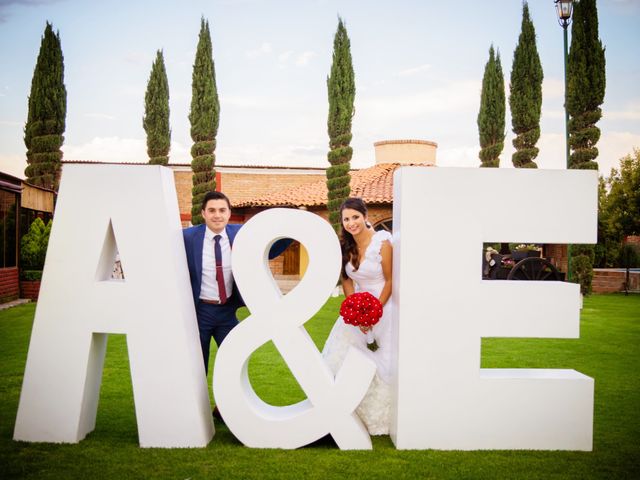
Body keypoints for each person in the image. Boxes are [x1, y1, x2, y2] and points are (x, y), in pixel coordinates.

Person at [183, 191, 288, 375]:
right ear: (203, 213)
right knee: (197, 367)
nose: (217, 215)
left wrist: (290, 232)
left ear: (229, 213)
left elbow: (269, 251)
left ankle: (225, 404)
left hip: (227, 312)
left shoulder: (240, 234)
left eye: (222, 210)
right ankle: (197, 404)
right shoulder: (187, 237)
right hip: (200, 312)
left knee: (235, 364)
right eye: (212, 210)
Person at [322, 197, 393, 435]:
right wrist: (354, 310)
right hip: (358, 307)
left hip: (384, 305)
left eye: (355, 217)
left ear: (365, 216)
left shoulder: (382, 243)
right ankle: (344, 412)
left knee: (382, 359)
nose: (351, 223)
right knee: (343, 356)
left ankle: (381, 417)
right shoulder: (345, 246)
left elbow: (390, 280)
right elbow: (347, 279)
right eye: (346, 219)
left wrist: (375, 312)